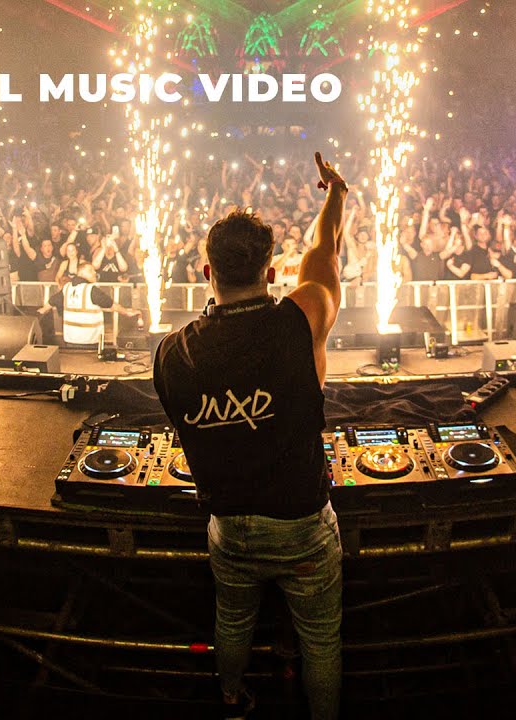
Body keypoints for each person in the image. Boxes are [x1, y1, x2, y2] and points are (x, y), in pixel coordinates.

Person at [152, 151, 346, 719]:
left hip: (229, 524)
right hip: (302, 522)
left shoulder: (172, 354)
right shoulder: (302, 318)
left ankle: (232, 700)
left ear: (206, 272)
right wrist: (336, 195)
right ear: (272, 272)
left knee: (232, 620)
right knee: (321, 638)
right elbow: (324, 253)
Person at [47, 261, 140, 346]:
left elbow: (51, 302)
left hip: (70, 340)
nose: (94, 273)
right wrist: (127, 312)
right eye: (90, 271)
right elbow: (110, 304)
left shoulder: (67, 288)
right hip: (89, 341)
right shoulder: (91, 290)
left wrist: (41, 312)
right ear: (81, 273)